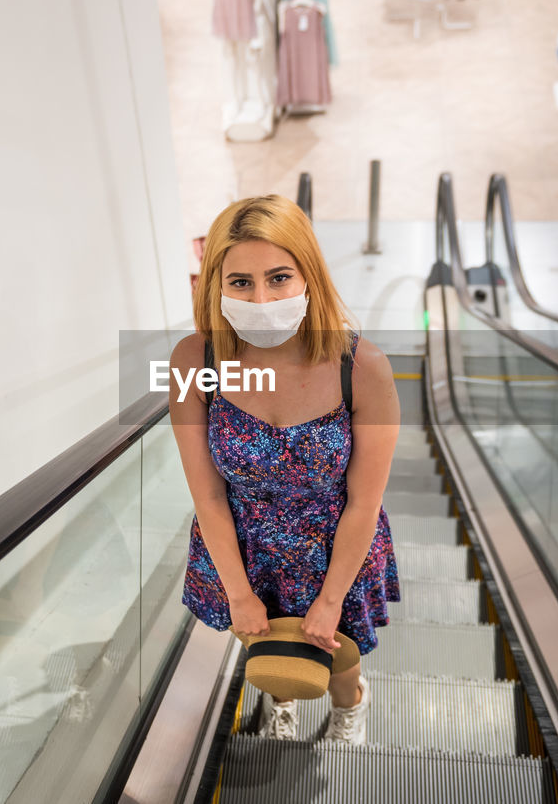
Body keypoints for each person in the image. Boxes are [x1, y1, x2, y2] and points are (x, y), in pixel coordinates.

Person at [171, 194, 401, 744]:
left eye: (279, 278)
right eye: (241, 283)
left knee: (338, 659)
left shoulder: (361, 367)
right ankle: (283, 703)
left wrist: (329, 600)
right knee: (269, 647)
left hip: (334, 544)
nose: (262, 297)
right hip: (243, 545)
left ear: (309, 276)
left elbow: (365, 502)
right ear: (215, 285)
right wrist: (238, 592)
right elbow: (206, 496)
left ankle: (350, 709)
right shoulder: (193, 361)